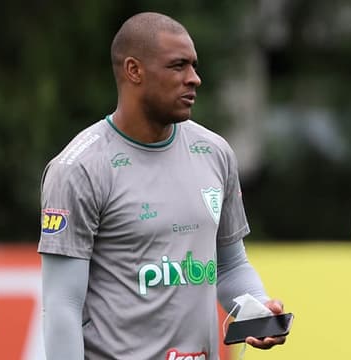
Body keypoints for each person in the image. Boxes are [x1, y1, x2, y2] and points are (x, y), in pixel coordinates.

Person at [38, 12, 286, 360]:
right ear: (134, 70)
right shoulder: (79, 168)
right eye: (178, 66)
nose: (194, 79)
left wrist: (257, 308)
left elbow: (230, 266)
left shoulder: (215, 153)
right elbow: (61, 305)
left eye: (194, 66)